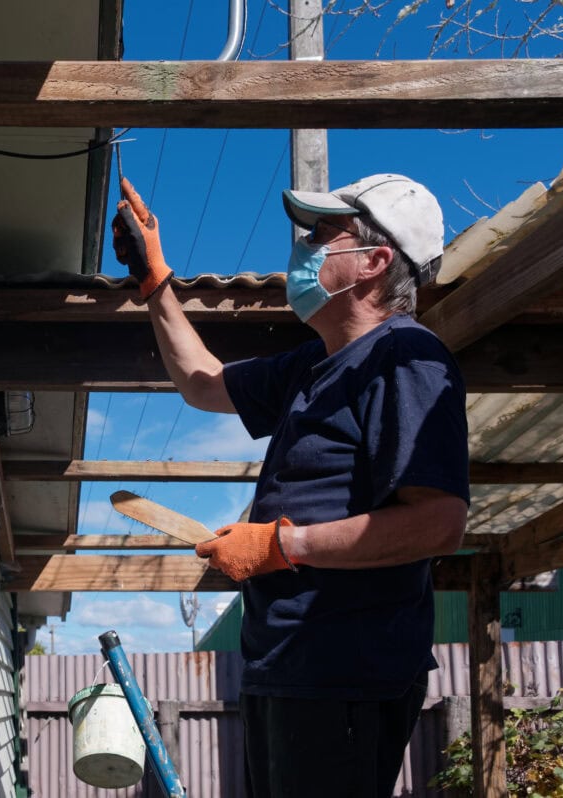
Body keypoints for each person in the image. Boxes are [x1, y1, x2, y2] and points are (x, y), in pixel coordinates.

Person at [111, 174, 470, 797]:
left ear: (374, 261)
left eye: (320, 236)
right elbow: (202, 383)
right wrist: (154, 282)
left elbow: (438, 523)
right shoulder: (312, 365)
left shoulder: (408, 359)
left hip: (345, 672)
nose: (302, 249)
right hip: (285, 663)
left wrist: (281, 546)